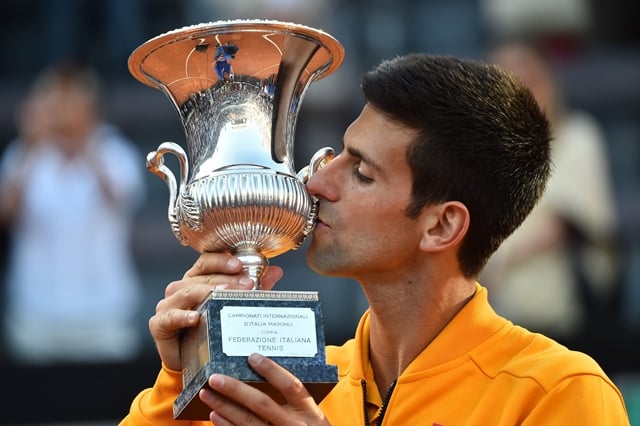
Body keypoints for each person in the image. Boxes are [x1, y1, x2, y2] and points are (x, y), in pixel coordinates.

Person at [120, 54, 629, 424]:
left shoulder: (558, 394)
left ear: (441, 226)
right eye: (340, 153)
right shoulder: (287, 380)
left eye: (361, 171)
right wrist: (184, 378)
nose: (317, 181)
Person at [0, 62, 146, 364]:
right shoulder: (21, 155)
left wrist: (84, 142)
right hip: (36, 313)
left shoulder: (115, 152)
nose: (62, 112)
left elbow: (120, 198)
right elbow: (6, 215)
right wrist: (30, 145)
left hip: (105, 314)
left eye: (71, 102)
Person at [482, 41, 620, 338]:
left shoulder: (579, 136)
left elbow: (562, 225)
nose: (523, 96)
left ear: (548, 81)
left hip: (570, 311)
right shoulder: (479, 155)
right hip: (500, 315)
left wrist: (495, 262)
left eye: (529, 81)